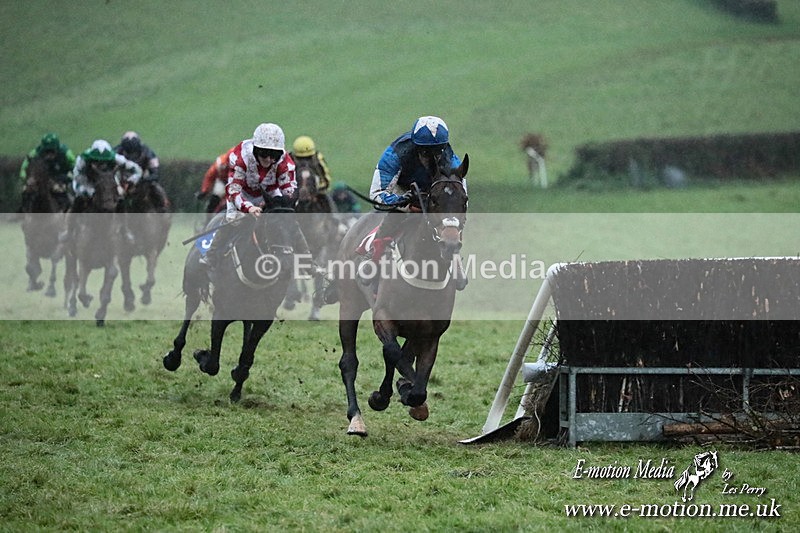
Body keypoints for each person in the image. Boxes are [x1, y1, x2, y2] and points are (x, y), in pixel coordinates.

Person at [201, 123, 309, 269]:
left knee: (288, 220)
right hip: (242, 193)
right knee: (232, 219)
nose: (269, 159)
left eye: (274, 155)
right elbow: (234, 190)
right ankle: (211, 255)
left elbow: (289, 190)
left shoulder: (285, 162)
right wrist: (249, 208)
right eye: (264, 153)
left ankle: (308, 262)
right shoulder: (241, 156)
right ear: (256, 150)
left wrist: (280, 206)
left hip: (270, 194)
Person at [62, 140, 143, 243]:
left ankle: (124, 230)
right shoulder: (83, 159)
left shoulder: (117, 159)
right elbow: (77, 176)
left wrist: (128, 183)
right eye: (97, 161)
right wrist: (90, 190)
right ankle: (69, 231)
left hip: (109, 185)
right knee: (79, 199)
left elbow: (137, 170)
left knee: (120, 200)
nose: (101, 164)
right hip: (87, 182)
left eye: (104, 161)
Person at [18, 132, 76, 212]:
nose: (49, 155)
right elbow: (24, 168)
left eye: (52, 152)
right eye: (46, 152)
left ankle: (67, 214)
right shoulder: (34, 153)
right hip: (41, 181)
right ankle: (24, 213)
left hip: (60, 179)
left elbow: (76, 169)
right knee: (26, 191)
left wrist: (66, 180)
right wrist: (27, 179)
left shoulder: (67, 154)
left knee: (65, 194)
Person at [114, 131, 169, 211]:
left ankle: (163, 207)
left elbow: (155, 174)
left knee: (155, 187)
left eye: (134, 153)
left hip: (142, 179)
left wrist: (143, 180)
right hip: (121, 180)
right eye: (128, 153)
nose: (131, 157)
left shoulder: (148, 153)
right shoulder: (116, 151)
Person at [196, 147, 235, 219]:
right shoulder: (221, 163)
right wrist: (205, 191)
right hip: (223, 182)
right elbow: (210, 176)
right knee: (215, 198)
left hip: (237, 182)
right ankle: (208, 221)